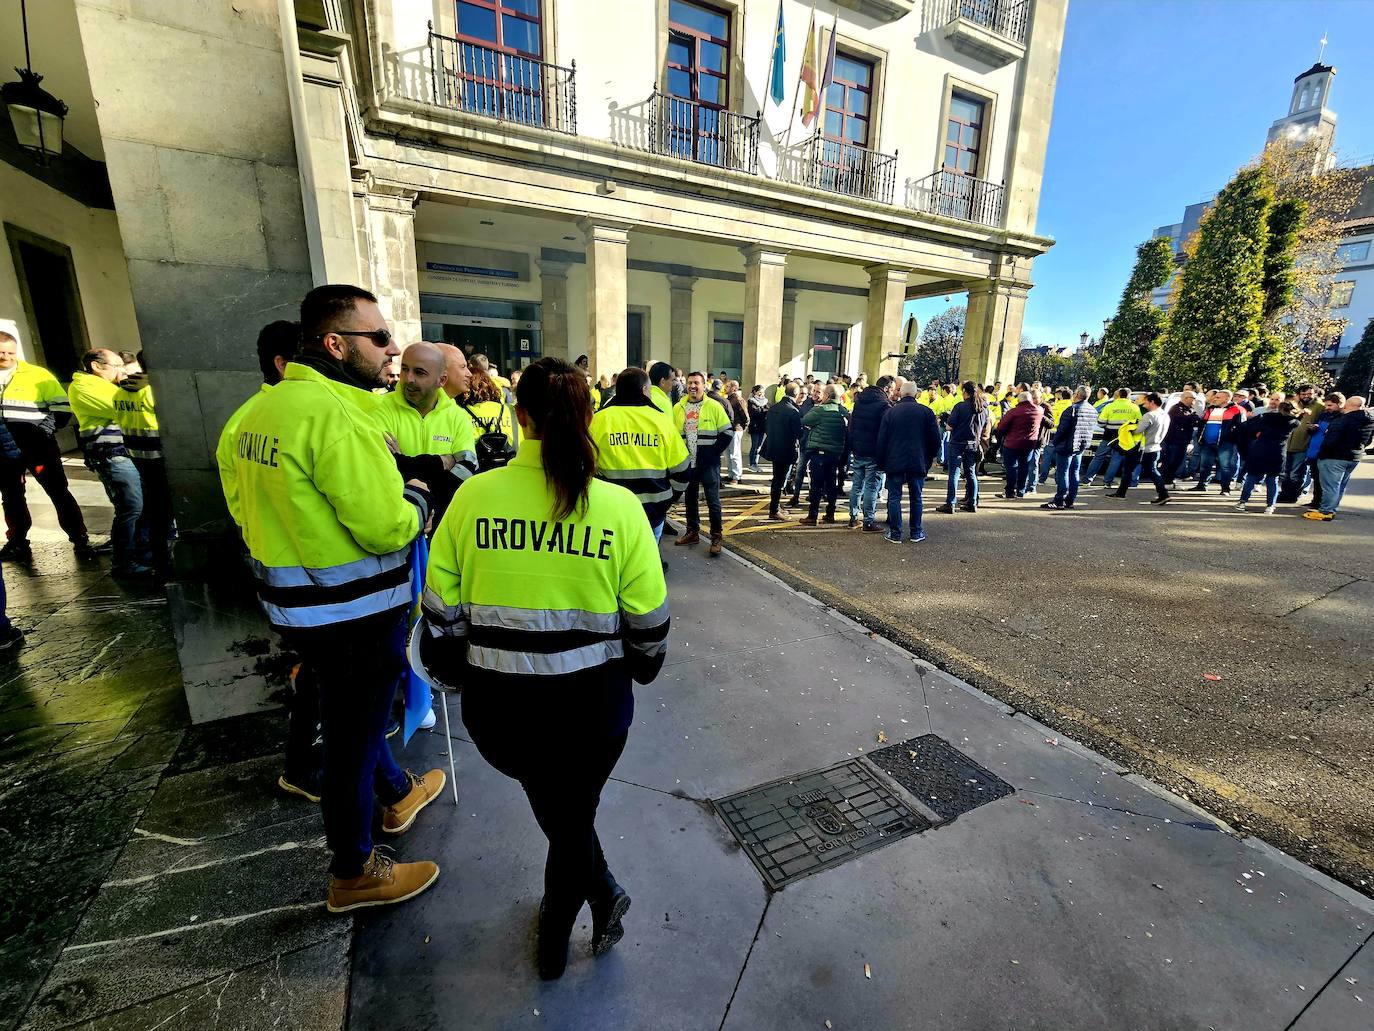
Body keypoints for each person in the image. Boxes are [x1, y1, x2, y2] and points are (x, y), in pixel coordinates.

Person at [416, 357, 668, 979]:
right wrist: (639, 670)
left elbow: (439, 611)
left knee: (562, 810)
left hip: (502, 715)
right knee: (573, 811)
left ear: (519, 416)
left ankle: (577, 918)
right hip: (595, 713)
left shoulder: (474, 497)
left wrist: (461, 666)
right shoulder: (618, 509)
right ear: (589, 417)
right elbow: (649, 628)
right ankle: (572, 924)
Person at [221, 284, 444, 914]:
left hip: (296, 606)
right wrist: (421, 497)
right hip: (356, 612)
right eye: (378, 338)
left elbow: (243, 508)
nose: (390, 348)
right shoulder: (339, 417)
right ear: (334, 343)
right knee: (351, 737)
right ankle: (354, 870)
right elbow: (385, 526)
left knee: (353, 719)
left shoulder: (256, 413)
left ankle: (397, 793)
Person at [216, 320, 326, 803]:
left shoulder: (249, 419)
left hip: (286, 570)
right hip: (306, 576)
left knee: (322, 675)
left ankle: (321, 761)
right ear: (284, 365)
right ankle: (303, 767)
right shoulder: (278, 420)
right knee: (324, 676)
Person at [0, 332, 96, 561]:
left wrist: (41, 433)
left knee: (58, 493)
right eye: (1, 352)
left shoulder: (37, 375)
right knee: (12, 498)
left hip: (39, 448)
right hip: (3, 450)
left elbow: (62, 409)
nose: (6, 356)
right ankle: (18, 543)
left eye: (10, 352)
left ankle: (80, 539)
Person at [373, 342, 479, 526]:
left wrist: (427, 503)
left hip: (441, 526)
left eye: (420, 372)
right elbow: (382, 467)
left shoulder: (458, 417)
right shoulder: (379, 408)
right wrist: (442, 462)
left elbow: (468, 468)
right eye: (405, 369)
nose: (408, 378)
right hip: (392, 522)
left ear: (442, 380)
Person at [69, 350, 153, 579]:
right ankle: (123, 561)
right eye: (117, 365)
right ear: (97, 366)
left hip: (125, 453)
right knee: (130, 506)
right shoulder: (84, 386)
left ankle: (141, 554)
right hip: (110, 454)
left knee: (140, 506)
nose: (122, 370)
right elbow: (122, 409)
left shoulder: (110, 386)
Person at [590, 367, 690, 542]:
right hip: (654, 510)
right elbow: (682, 469)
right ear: (644, 390)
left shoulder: (598, 420)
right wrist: (669, 498)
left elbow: (584, 466)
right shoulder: (661, 421)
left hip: (610, 509)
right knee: (648, 562)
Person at [673, 371, 734, 556]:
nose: (692, 386)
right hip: (687, 463)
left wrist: (713, 454)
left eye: (696, 383)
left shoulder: (714, 406)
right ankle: (692, 532)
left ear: (703, 386)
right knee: (690, 499)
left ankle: (716, 536)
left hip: (708, 464)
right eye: (690, 383)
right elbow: (672, 436)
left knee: (712, 500)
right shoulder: (678, 407)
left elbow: (727, 433)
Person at [876, 381, 941, 543]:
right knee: (916, 497)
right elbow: (935, 440)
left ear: (900, 393)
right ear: (916, 394)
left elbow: (882, 440)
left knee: (894, 497)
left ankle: (896, 532)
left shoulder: (890, 413)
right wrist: (928, 459)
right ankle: (916, 532)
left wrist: (881, 462)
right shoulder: (926, 412)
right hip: (917, 460)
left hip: (895, 460)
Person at [1305, 396, 1374, 521]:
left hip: (1334, 457)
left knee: (1330, 485)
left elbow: (1330, 441)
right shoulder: (1369, 421)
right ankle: (1332, 508)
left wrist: (1322, 453)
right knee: (1340, 485)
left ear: (1347, 406)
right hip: (1354, 456)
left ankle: (1326, 511)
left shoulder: (1342, 420)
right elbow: (1368, 441)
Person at [1235, 400, 1300, 514]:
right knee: (1272, 480)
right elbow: (1297, 419)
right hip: (1278, 451)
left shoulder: (1266, 417)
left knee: (1252, 477)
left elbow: (1250, 429)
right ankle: (1270, 506)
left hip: (1260, 448)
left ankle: (1243, 502)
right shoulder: (1294, 422)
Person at [846, 375, 893, 531]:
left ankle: (853, 518)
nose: (892, 393)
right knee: (871, 487)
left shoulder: (860, 401)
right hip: (874, 452)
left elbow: (852, 425)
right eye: (891, 389)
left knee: (857, 485)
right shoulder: (884, 405)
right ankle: (868, 521)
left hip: (858, 449)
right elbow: (886, 431)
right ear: (886, 388)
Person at [797, 384, 849, 526]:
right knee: (831, 484)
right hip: (835, 453)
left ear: (826, 395)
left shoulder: (820, 410)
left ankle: (812, 516)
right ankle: (830, 514)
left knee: (816, 485)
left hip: (819, 453)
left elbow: (804, 421)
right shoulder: (843, 411)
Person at [1041, 385, 1098, 510]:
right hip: (1081, 444)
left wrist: (1055, 442)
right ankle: (1070, 500)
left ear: (1076, 395)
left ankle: (1059, 500)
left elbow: (1062, 430)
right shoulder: (1092, 410)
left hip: (1067, 445)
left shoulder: (1071, 409)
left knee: (1063, 473)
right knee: (1074, 472)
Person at [1110, 392, 1171, 504]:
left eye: (1146, 402)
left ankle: (1121, 493)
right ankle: (1163, 494)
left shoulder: (1149, 415)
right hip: (1155, 447)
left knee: (1128, 469)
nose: (1144, 405)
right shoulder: (1165, 414)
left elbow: (1138, 430)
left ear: (1152, 402)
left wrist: (1129, 426)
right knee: (1153, 471)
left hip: (1143, 448)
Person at [937, 381, 989, 514]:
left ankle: (951, 503)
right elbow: (985, 428)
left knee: (954, 473)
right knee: (971, 473)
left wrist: (945, 421)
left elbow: (949, 427)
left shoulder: (960, 406)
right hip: (974, 444)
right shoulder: (983, 408)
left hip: (958, 443)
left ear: (965, 392)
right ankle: (972, 502)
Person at [461, 364, 518, 470]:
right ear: (489, 384)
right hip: (510, 467)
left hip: (476, 472)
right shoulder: (509, 410)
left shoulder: (460, 412)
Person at [1190, 389, 1247, 495]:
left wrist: (1231, 438)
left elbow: (1241, 427)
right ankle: (1202, 485)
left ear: (1227, 398)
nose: (1214, 399)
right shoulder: (1210, 409)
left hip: (1225, 443)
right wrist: (1201, 438)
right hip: (1208, 442)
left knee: (1226, 466)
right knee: (1205, 465)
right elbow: (1203, 424)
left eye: (1218, 397)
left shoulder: (1237, 409)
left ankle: (1225, 488)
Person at [1083, 389, 1141, 488]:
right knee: (1115, 460)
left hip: (1108, 436)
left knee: (1098, 458)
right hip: (1124, 438)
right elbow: (1138, 422)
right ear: (1128, 396)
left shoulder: (1109, 406)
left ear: (1118, 395)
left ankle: (1087, 480)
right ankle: (1107, 482)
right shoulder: (1134, 407)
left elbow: (1100, 422)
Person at [763, 383, 803, 521]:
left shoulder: (774, 407)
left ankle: (776, 506)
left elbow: (766, 427)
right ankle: (774, 510)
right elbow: (798, 433)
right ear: (796, 394)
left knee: (777, 478)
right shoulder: (793, 411)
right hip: (786, 450)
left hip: (774, 447)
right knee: (780, 481)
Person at [1278, 384, 1323, 503]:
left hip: (1304, 444)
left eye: (1309, 394)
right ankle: (1284, 493)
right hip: (1287, 444)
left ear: (1315, 394)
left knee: (1296, 473)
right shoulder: (1294, 404)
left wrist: (1315, 427)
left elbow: (1322, 425)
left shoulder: (1320, 407)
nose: (1306, 396)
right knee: (1285, 472)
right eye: (1303, 394)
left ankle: (1294, 495)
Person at [994, 392, 1043, 499]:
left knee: (1011, 468)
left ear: (1019, 400)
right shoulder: (1039, 410)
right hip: (1029, 443)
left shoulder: (1014, 412)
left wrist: (1002, 435)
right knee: (1024, 467)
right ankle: (1021, 490)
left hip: (1012, 443)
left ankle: (1010, 491)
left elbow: (1001, 427)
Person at [1160, 389, 1201, 485]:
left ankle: (1169, 480)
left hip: (1183, 440)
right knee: (1170, 460)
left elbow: (1197, 419)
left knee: (1177, 461)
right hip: (1174, 440)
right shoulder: (1176, 408)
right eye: (1193, 398)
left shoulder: (1189, 409)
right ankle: (1165, 481)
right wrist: (1193, 418)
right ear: (1186, 398)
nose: (1195, 401)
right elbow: (1186, 419)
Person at [723, 381, 749, 485]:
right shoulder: (728, 399)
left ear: (734, 388)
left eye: (728, 386)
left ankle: (737, 476)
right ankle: (731, 474)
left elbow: (745, 416)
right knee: (728, 453)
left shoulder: (738, 399)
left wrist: (743, 427)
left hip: (736, 428)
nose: (726, 387)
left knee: (734, 453)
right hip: (729, 428)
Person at [746, 384, 768, 472]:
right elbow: (755, 413)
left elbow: (767, 410)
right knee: (754, 446)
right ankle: (752, 463)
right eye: (760, 392)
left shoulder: (765, 401)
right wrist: (764, 411)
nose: (761, 394)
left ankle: (756, 463)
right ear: (755, 392)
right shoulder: (751, 401)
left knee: (759, 446)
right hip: (755, 427)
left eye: (763, 393)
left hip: (762, 427)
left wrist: (764, 411)